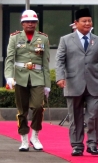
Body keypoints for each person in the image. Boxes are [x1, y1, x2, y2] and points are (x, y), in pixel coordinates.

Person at [56, 8, 98, 156]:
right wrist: (60, 77)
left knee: (94, 115)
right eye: (84, 21)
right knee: (75, 117)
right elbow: (60, 61)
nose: (87, 23)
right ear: (76, 23)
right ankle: (76, 145)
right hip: (73, 83)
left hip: (94, 84)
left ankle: (93, 144)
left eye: (89, 21)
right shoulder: (66, 40)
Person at [4, 10, 50, 152]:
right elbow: (10, 59)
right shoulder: (15, 38)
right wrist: (9, 76)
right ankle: (24, 138)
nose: (30, 24)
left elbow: (46, 62)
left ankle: (35, 136)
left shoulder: (43, 38)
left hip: (37, 76)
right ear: (22, 23)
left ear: (36, 23)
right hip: (20, 76)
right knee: (22, 110)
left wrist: (47, 84)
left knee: (38, 107)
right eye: (27, 21)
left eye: (33, 21)